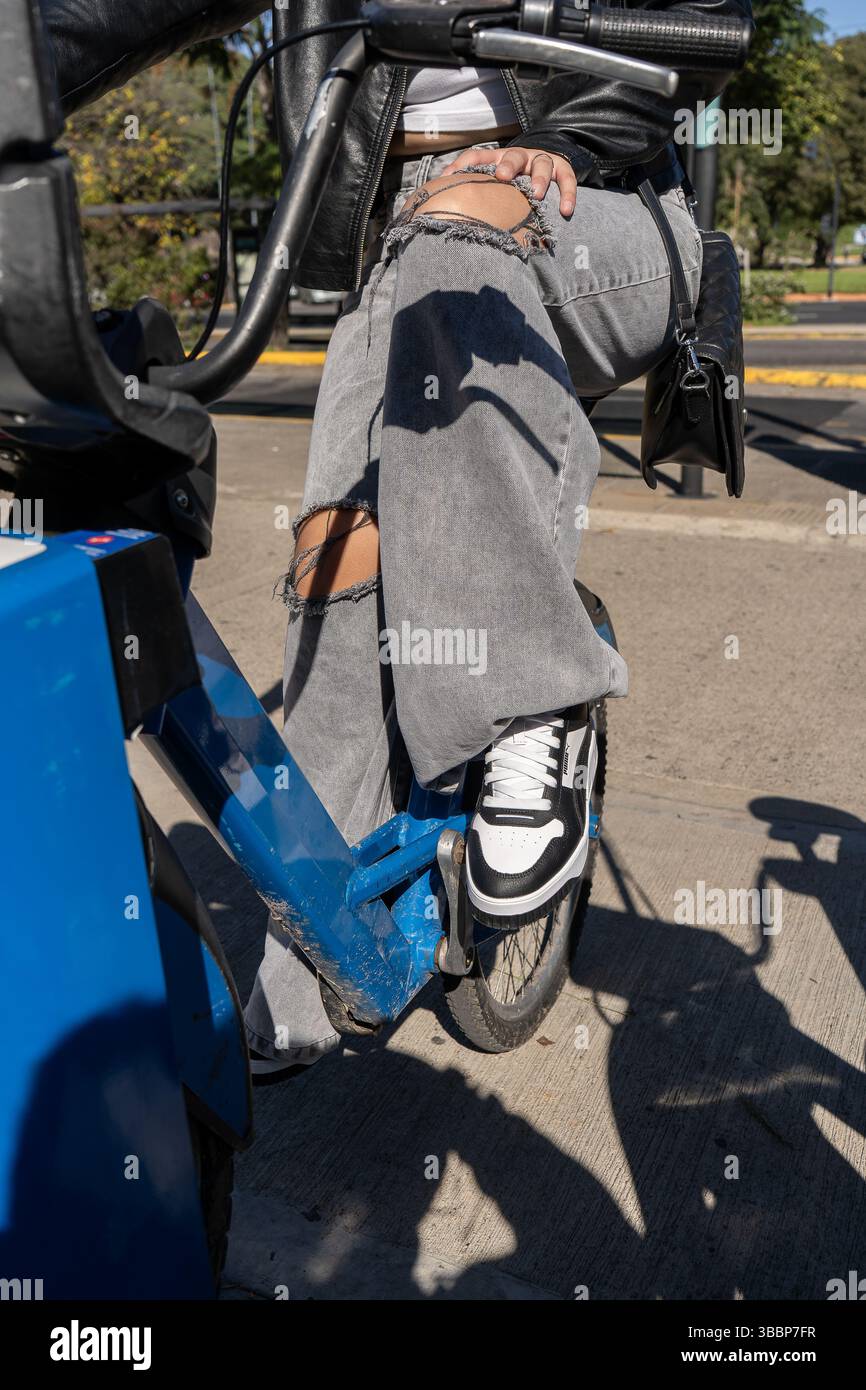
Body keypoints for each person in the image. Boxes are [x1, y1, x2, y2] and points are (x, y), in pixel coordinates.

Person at [45, 0, 752, 1074]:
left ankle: (532, 698)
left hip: (596, 204)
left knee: (454, 247)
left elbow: (697, 23)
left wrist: (554, 142)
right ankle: (313, 977)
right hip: (401, 242)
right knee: (335, 554)